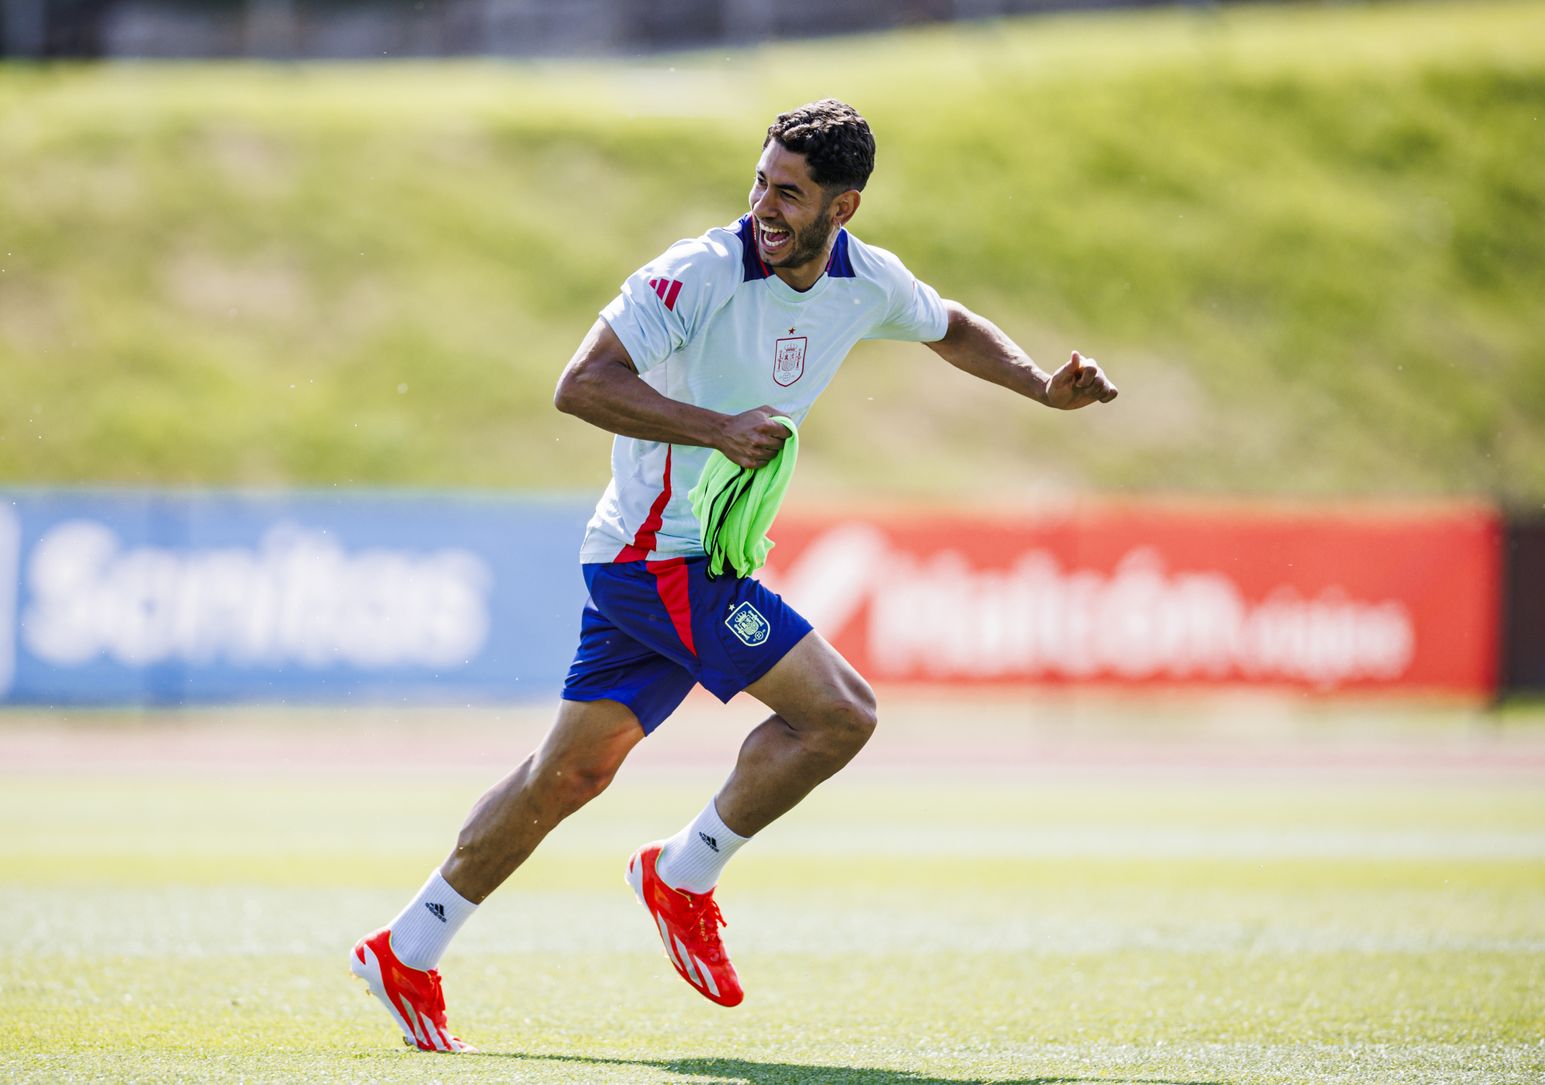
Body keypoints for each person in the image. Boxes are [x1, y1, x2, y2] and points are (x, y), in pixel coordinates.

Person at [351, 98, 1118, 1052]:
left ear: (843, 207)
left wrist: (1040, 385)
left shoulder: (864, 280)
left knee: (570, 773)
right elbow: (580, 383)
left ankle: (407, 947)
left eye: (790, 192)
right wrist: (717, 429)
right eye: (761, 181)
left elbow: (949, 323)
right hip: (656, 557)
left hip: (672, 559)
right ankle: (683, 872)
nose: (764, 205)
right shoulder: (697, 272)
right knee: (840, 714)